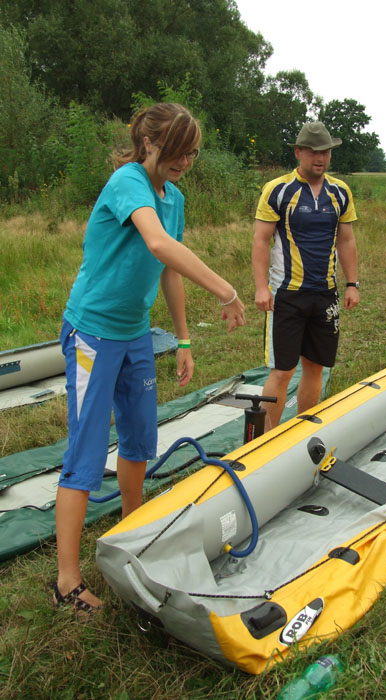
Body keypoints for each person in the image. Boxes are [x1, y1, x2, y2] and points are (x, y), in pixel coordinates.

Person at [53, 102, 245, 613]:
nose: (185, 161)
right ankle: (66, 581)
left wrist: (182, 338)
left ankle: (133, 536)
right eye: (178, 151)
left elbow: (168, 270)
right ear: (150, 143)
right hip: (94, 333)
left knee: (140, 440)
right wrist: (226, 291)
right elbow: (157, 244)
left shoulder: (174, 197)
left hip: (137, 334)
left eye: (193, 153)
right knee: (86, 455)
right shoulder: (127, 183)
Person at [252, 121, 358, 431]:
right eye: (312, 151)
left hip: (325, 294)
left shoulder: (340, 191)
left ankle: (303, 431)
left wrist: (351, 284)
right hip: (287, 295)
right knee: (283, 370)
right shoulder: (278, 190)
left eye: (325, 152)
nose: (320, 158)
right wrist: (261, 287)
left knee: (316, 367)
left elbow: (347, 240)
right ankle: (266, 440)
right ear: (299, 152)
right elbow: (261, 240)